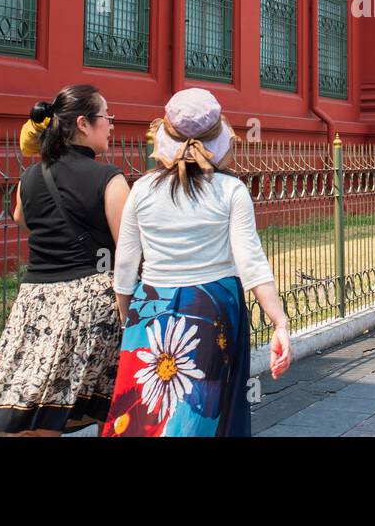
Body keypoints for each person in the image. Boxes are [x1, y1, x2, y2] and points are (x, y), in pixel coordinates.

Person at [102, 88, 291, 437]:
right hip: (213, 306)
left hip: (150, 304)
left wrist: (128, 320)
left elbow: (125, 270)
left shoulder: (141, 189)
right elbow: (251, 262)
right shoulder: (231, 190)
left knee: (144, 415)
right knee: (206, 412)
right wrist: (279, 321)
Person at [0, 85, 131, 436]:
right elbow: (130, 253)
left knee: (29, 408)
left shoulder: (30, 177)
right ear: (84, 124)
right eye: (107, 117)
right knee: (109, 402)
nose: (112, 125)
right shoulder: (110, 179)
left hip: (35, 305)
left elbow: (22, 220)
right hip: (90, 304)